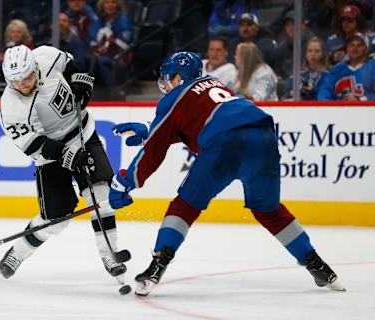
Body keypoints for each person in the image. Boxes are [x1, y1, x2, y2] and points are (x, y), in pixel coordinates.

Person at [109, 51, 345, 296]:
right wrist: (150, 128)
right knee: (269, 210)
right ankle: (319, 266)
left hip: (225, 144)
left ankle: (157, 266)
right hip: (263, 135)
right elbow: (205, 118)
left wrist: (125, 181)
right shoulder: (215, 83)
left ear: (179, 77)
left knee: (184, 207)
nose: (166, 84)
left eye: (168, 78)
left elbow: (153, 151)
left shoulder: (174, 98)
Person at [0, 44, 127, 283]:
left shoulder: (45, 55)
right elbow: (34, 144)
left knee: (101, 195)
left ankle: (110, 254)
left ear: (35, 66)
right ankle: (18, 253)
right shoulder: (11, 107)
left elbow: (70, 64)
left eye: (27, 77)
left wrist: (80, 83)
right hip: (49, 155)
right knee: (56, 219)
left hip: (82, 133)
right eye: (16, 82)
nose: (23, 85)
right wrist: (70, 156)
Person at [318, 32, 375, 100]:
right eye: (351, 45)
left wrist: (359, 100)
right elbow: (324, 92)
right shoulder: (337, 70)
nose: (355, 48)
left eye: (359, 45)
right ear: (347, 48)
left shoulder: (372, 66)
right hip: (339, 109)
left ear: (366, 49)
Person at [88, 0, 133, 87]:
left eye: (113, 2)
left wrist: (110, 40)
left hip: (118, 55)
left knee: (98, 62)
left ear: (117, 5)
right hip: (102, 54)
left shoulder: (123, 20)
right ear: (102, 5)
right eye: (107, 2)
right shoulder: (100, 20)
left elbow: (125, 43)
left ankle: (113, 90)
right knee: (91, 60)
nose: (110, 5)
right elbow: (93, 39)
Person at [273, 10, 315, 81]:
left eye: (294, 24)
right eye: (287, 25)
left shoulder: (313, 45)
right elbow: (277, 71)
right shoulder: (281, 48)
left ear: (303, 25)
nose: (290, 28)